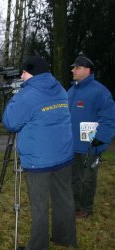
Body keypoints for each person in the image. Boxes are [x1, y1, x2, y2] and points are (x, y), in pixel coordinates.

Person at [2, 56, 77, 250]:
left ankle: (37, 246)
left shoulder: (27, 95)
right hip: (63, 155)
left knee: (40, 206)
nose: (21, 76)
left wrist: (15, 96)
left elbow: (11, 122)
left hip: (39, 162)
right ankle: (64, 238)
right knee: (64, 200)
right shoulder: (60, 88)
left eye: (24, 72)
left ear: (31, 73)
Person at [68, 54, 115, 218]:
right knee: (73, 178)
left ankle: (86, 209)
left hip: (91, 145)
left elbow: (109, 117)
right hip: (72, 145)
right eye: (73, 67)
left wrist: (100, 138)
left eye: (77, 67)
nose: (73, 70)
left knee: (87, 179)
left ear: (87, 70)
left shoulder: (100, 91)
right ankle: (73, 206)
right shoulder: (71, 90)